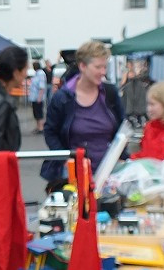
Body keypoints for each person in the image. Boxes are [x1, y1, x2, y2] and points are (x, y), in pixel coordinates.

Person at [42, 41, 124, 186]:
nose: (103, 72)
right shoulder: (63, 97)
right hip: (74, 174)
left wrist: (123, 158)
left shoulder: (110, 93)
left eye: (105, 67)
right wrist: (65, 157)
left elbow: (121, 131)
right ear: (82, 66)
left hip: (108, 174)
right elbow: (50, 132)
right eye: (98, 67)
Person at [120, 58, 151, 123]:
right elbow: (122, 84)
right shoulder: (127, 73)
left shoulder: (135, 73)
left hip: (136, 95)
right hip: (130, 94)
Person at [27, 60, 48, 134]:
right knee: (36, 113)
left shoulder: (41, 74)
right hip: (34, 97)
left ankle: (41, 128)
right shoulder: (37, 73)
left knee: (39, 113)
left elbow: (41, 87)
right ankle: (38, 127)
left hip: (38, 97)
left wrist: (39, 97)